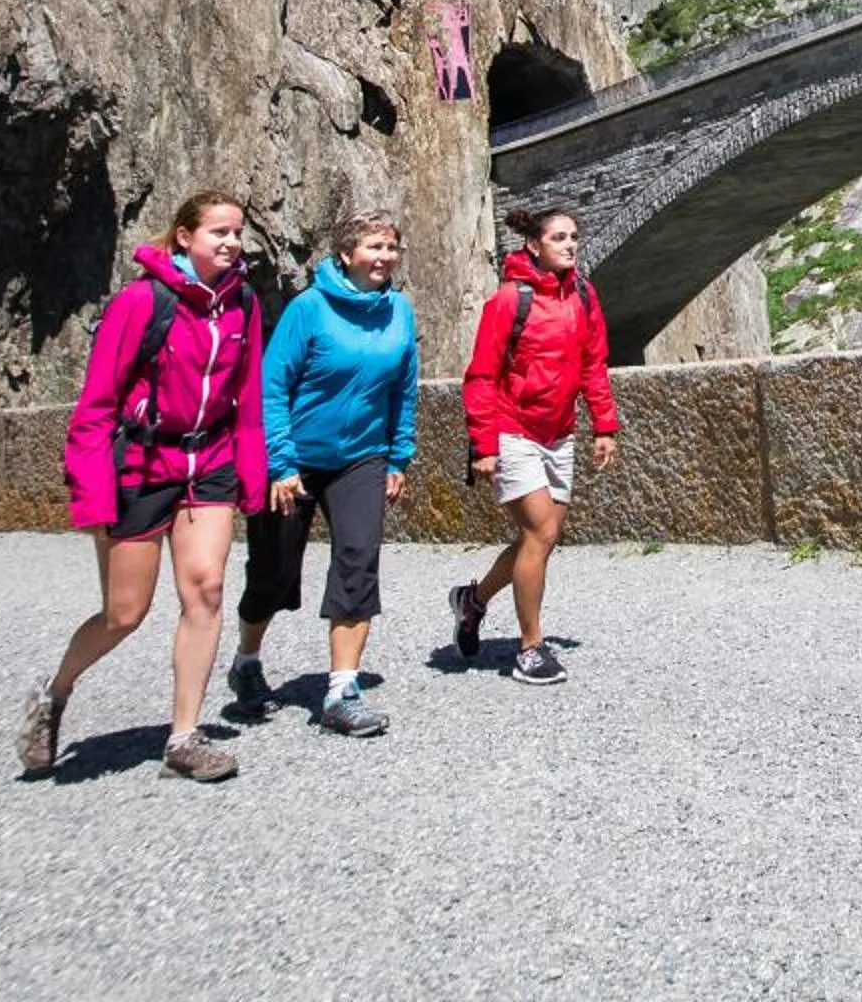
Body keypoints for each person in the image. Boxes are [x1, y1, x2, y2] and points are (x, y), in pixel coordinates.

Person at [14, 189, 268, 783]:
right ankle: (54, 693)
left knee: (205, 590)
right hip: (142, 465)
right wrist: (93, 493)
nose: (232, 243)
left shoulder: (244, 304)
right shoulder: (141, 301)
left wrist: (252, 478)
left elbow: (249, 400)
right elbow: (97, 404)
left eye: (237, 233)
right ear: (185, 237)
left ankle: (184, 737)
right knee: (124, 613)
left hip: (209, 460)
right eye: (219, 234)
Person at [225, 210, 419, 737]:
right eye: (374, 247)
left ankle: (342, 690)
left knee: (359, 558)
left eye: (391, 247)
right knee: (274, 572)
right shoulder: (308, 309)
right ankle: (246, 661)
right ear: (346, 253)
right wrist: (281, 464)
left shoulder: (399, 311)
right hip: (296, 460)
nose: (384, 257)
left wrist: (399, 455)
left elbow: (404, 387)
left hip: (362, 455)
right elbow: (273, 387)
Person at [449, 204, 620, 685]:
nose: (570, 245)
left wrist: (604, 427)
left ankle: (473, 601)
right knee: (542, 533)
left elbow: (593, 364)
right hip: (512, 433)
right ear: (534, 245)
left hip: (558, 434)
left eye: (574, 237)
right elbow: (481, 376)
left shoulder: (583, 295)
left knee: (536, 540)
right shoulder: (509, 301)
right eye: (559, 238)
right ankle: (530, 649)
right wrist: (484, 445)